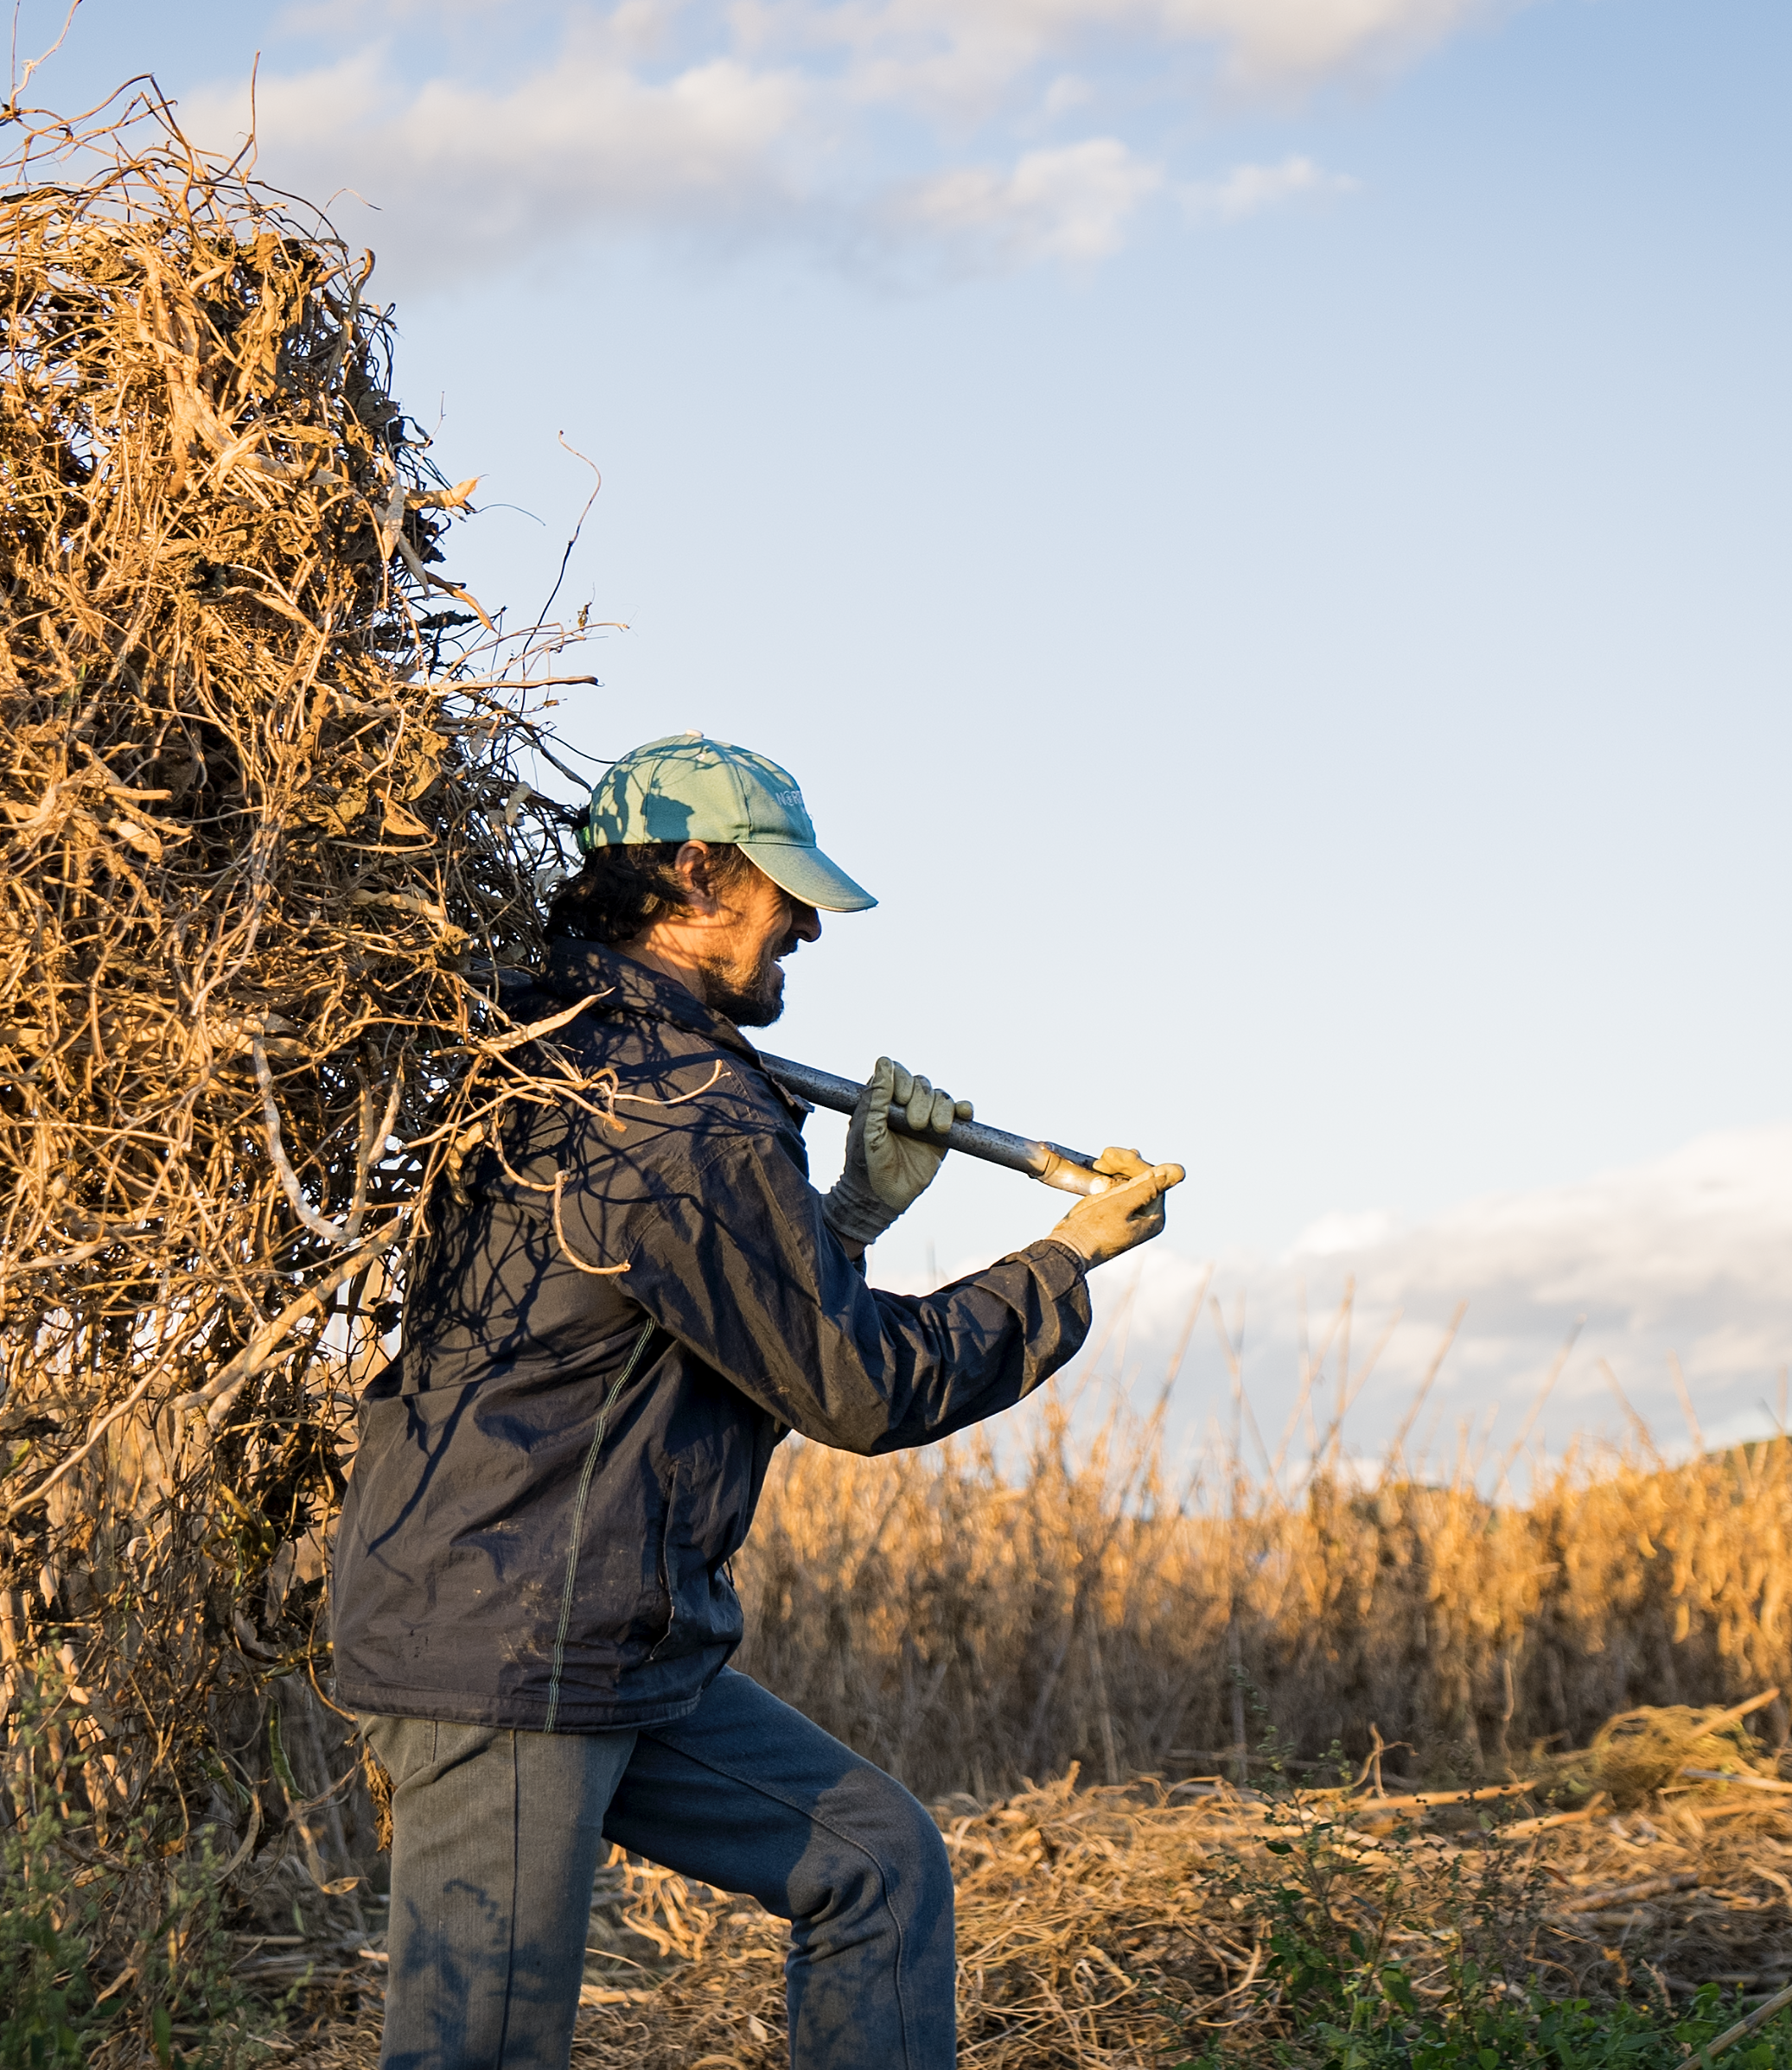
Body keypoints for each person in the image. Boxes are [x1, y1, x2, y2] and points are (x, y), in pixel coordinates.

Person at [328, 732, 1187, 2070]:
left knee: (875, 1864)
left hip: (604, 1638)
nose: (805, 932)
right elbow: (851, 1385)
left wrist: (843, 1211)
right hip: (505, 1648)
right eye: (782, 894)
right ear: (689, 874)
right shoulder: (674, 1108)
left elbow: (695, 1329)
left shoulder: (567, 1052)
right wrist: (1064, 1262)